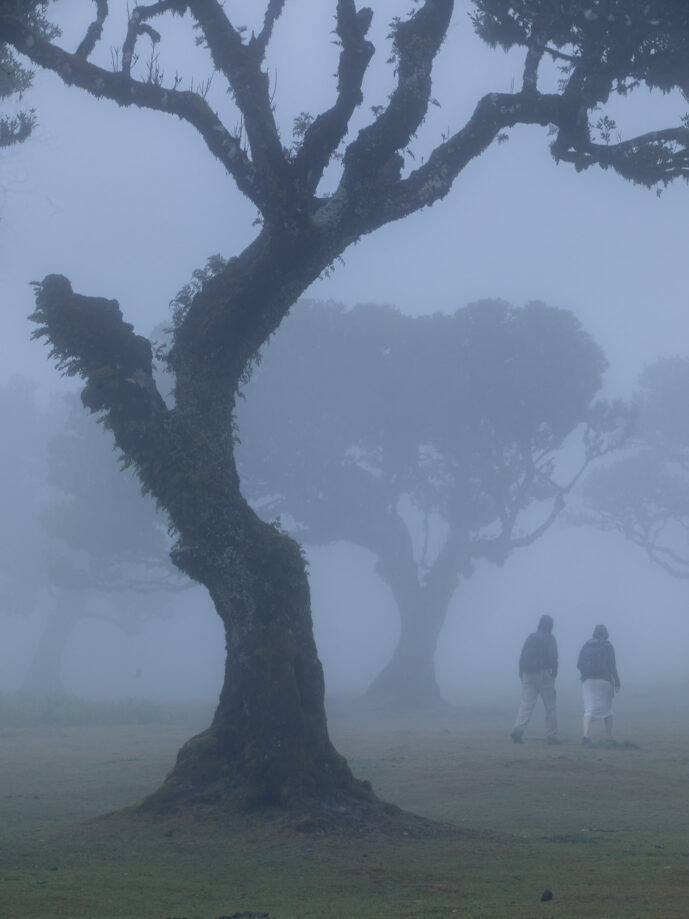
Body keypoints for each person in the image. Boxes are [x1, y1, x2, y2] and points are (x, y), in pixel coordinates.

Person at [511, 613, 560, 745]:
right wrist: (554, 673)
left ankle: (518, 729)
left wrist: (521, 673)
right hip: (544, 674)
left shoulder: (530, 637)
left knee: (526, 705)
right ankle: (552, 735)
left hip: (527, 673)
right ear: (550, 625)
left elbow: (522, 656)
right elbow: (553, 658)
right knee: (550, 707)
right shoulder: (550, 638)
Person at [577, 624, 621, 745]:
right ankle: (609, 737)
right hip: (604, 680)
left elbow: (579, 663)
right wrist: (617, 682)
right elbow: (613, 666)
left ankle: (585, 736)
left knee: (589, 709)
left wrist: (585, 675)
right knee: (607, 710)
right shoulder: (608, 646)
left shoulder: (586, 645)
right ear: (605, 634)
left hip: (587, 681)